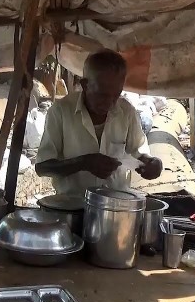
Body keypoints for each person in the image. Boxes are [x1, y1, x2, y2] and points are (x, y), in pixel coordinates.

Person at [35, 49, 163, 196]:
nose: (109, 102)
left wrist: (153, 163)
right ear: (85, 85)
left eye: (116, 95)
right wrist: (83, 163)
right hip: (71, 207)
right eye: (102, 95)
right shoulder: (60, 112)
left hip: (115, 206)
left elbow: (140, 153)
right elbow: (42, 167)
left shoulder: (126, 112)